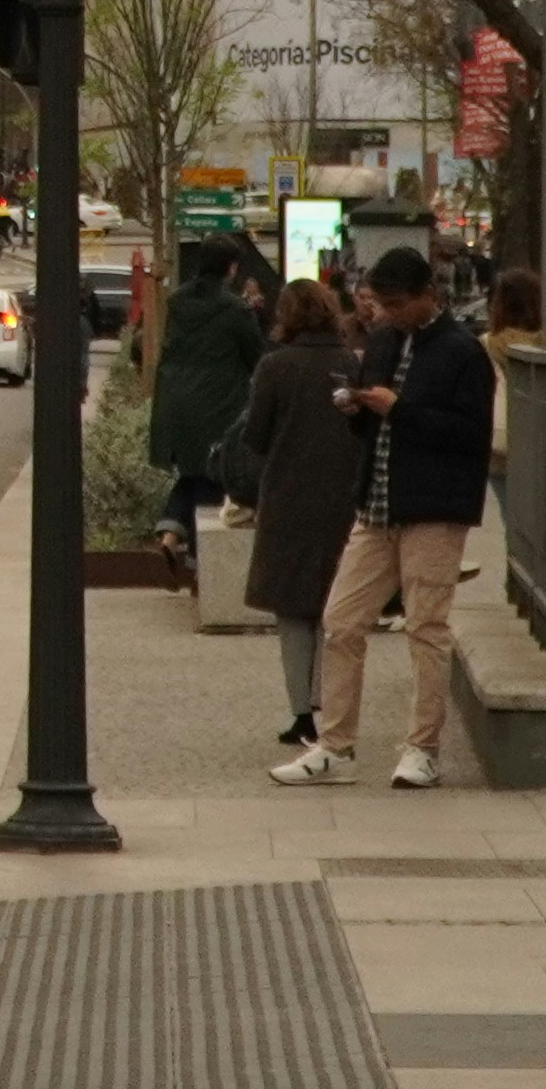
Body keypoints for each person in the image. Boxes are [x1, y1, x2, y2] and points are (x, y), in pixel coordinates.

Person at [280, 254, 495, 790]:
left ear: (429, 294)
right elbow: (375, 428)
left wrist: (398, 410)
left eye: (397, 305)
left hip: (433, 507)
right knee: (342, 620)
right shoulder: (382, 342)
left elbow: (471, 436)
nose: (388, 315)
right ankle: (334, 745)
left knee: (426, 626)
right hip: (376, 504)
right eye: (380, 305)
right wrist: (358, 411)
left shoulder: (462, 352)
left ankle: (422, 748)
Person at [232, 276, 363, 757]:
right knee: (334, 608)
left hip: (287, 498)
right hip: (342, 501)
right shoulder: (349, 363)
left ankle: (301, 714)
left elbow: (256, 437)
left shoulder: (275, 367)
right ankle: (328, 705)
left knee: (292, 612)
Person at [150, 243, 264, 582]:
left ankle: (170, 534)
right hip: (219, 403)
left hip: (175, 401)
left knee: (191, 472)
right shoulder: (234, 310)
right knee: (215, 476)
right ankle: (201, 564)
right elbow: (256, 356)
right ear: (231, 268)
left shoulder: (178, 302)